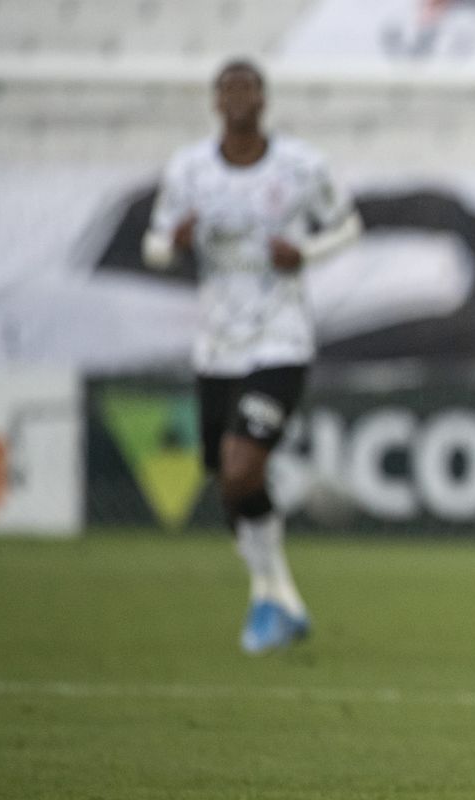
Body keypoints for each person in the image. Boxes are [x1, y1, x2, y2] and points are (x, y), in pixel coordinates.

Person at [142, 59, 362, 655]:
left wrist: (307, 252)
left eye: (248, 88)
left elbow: (348, 226)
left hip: (280, 338)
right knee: (231, 481)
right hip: (217, 345)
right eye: (228, 88)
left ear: (264, 99)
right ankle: (278, 597)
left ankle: (271, 597)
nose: (238, 97)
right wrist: (173, 244)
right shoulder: (189, 169)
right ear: (215, 101)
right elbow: (154, 244)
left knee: (241, 468)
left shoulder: (301, 166)